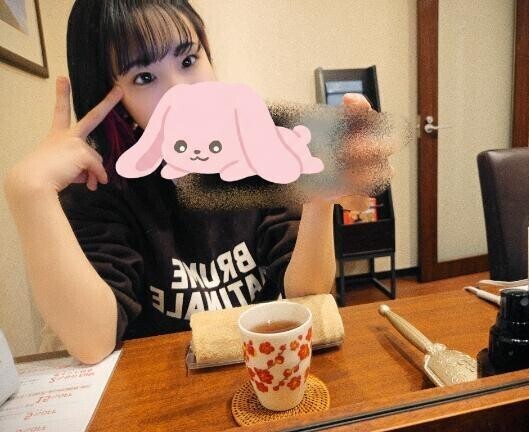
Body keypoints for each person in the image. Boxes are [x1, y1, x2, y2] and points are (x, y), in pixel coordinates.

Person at [4, 0, 373, 364]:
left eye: (188, 60)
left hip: (255, 369)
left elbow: (306, 295)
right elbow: (92, 342)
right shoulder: (101, 184)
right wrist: (30, 192)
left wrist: (319, 199)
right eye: (144, 78)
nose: (182, 93)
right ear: (113, 100)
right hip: (158, 384)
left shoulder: (259, 151)